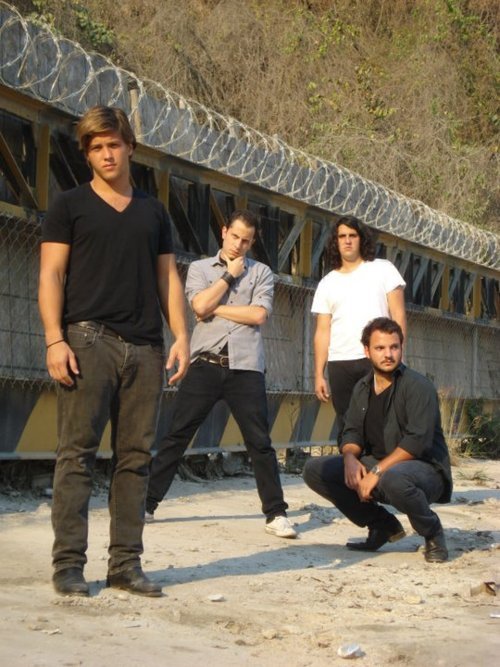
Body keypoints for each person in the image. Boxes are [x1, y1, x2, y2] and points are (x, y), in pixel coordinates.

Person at [38, 106, 189, 598]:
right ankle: (68, 566)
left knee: (135, 460)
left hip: (145, 348)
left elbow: (168, 277)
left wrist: (181, 335)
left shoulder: (153, 211)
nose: (106, 154)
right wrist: (54, 339)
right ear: (87, 154)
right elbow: (51, 274)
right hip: (88, 340)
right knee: (76, 456)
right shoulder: (69, 206)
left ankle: (125, 565)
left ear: (130, 148)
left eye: (114, 145)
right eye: (96, 147)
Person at [146, 209, 297, 538]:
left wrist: (215, 307)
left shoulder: (262, 272)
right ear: (224, 231)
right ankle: (147, 503)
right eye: (235, 236)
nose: (238, 244)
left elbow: (258, 316)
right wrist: (229, 276)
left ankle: (276, 514)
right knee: (177, 435)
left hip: (246, 367)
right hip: (206, 363)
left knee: (259, 442)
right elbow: (198, 307)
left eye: (246, 240)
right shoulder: (200, 269)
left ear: (252, 242)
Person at [303, 317, 452, 562]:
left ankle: (432, 532)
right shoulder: (362, 388)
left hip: (425, 470)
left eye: (394, 347)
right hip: (382, 466)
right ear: (367, 351)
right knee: (315, 470)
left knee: (395, 478)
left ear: (402, 348)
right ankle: (383, 526)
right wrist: (350, 458)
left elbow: (417, 442)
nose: (388, 354)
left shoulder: (419, 386)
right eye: (380, 348)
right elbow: (351, 431)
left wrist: (376, 472)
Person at [312, 219, 407, 445]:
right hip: (340, 362)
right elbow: (322, 332)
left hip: (377, 359)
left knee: (382, 422)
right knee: (348, 426)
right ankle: (351, 466)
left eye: (352, 235)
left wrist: (397, 354)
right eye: (342, 236)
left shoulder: (383, 269)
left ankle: (382, 466)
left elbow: (399, 315)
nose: (347, 241)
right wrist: (318, 374)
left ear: (361, 239)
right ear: (335, 241)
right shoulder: (327, 283)